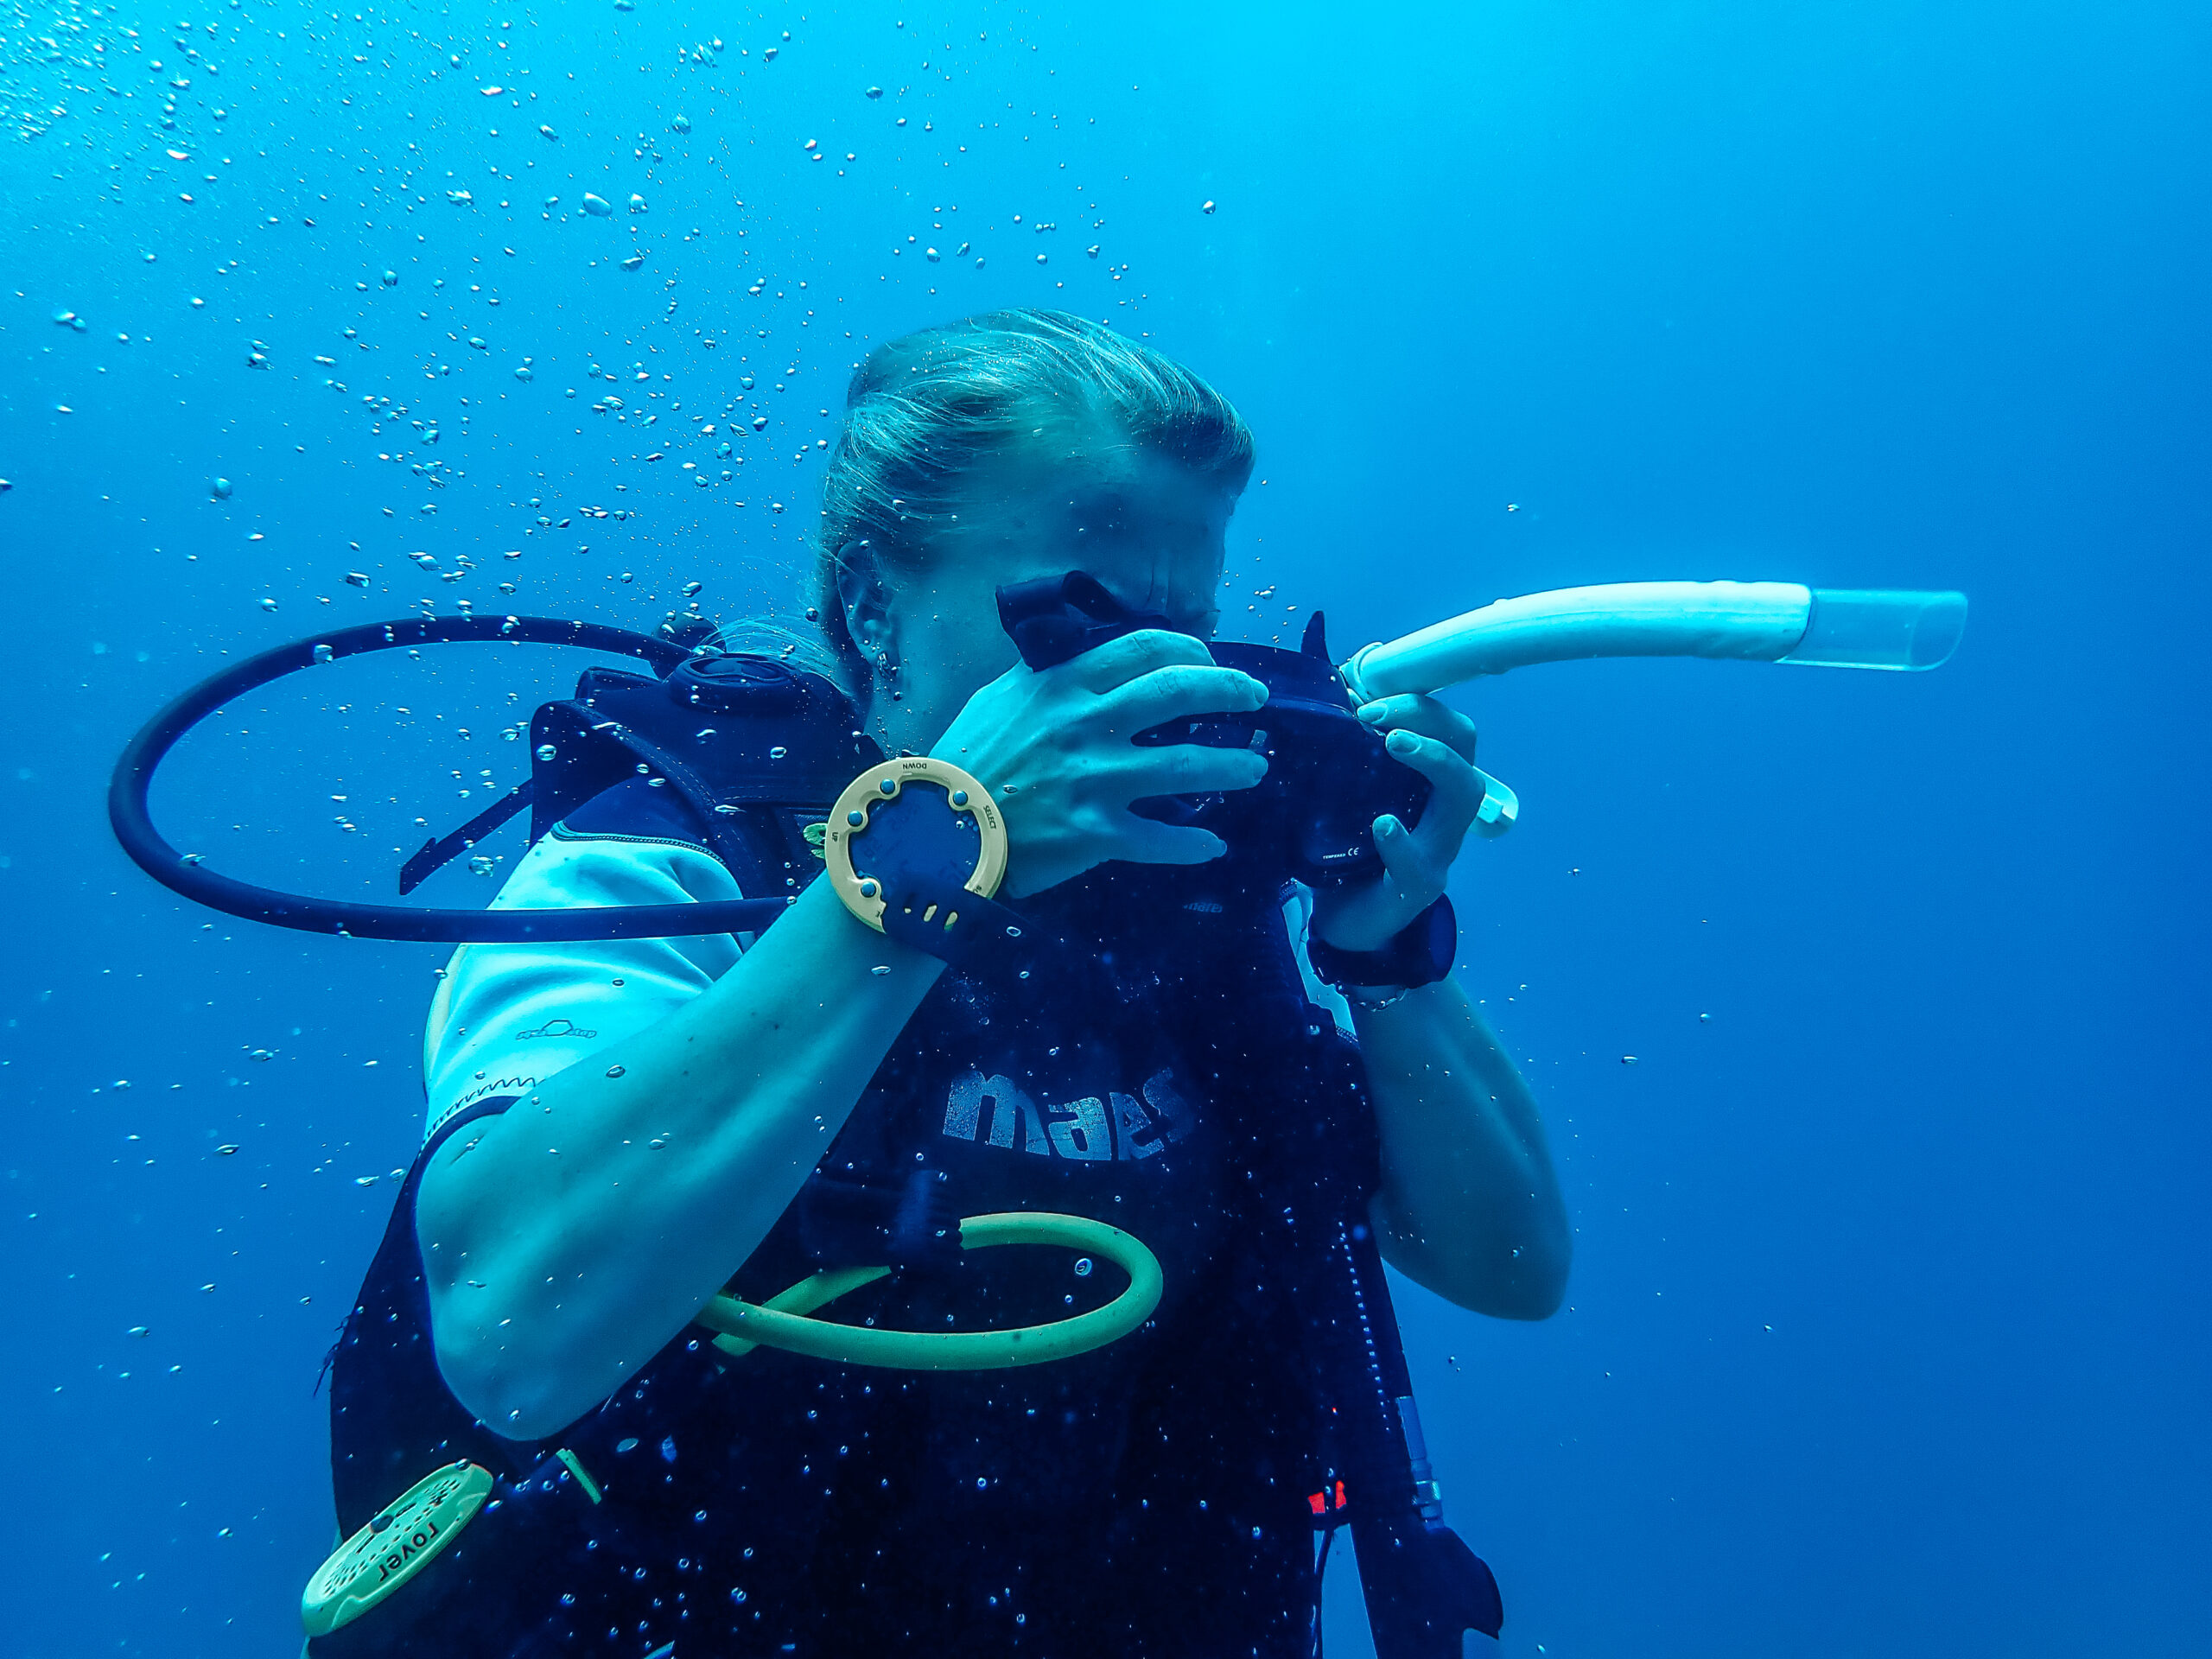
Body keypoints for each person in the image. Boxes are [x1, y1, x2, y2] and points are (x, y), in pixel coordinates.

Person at [327, 309, 1569, 1657]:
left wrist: (1388, 954)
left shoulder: (1196, 904)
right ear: (875, 610)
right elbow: (511, 1331)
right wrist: (938, 852)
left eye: (1185, 630)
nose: (1144, 688)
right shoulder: (674, 862)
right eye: (1077, 617)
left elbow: (1510, 1266)